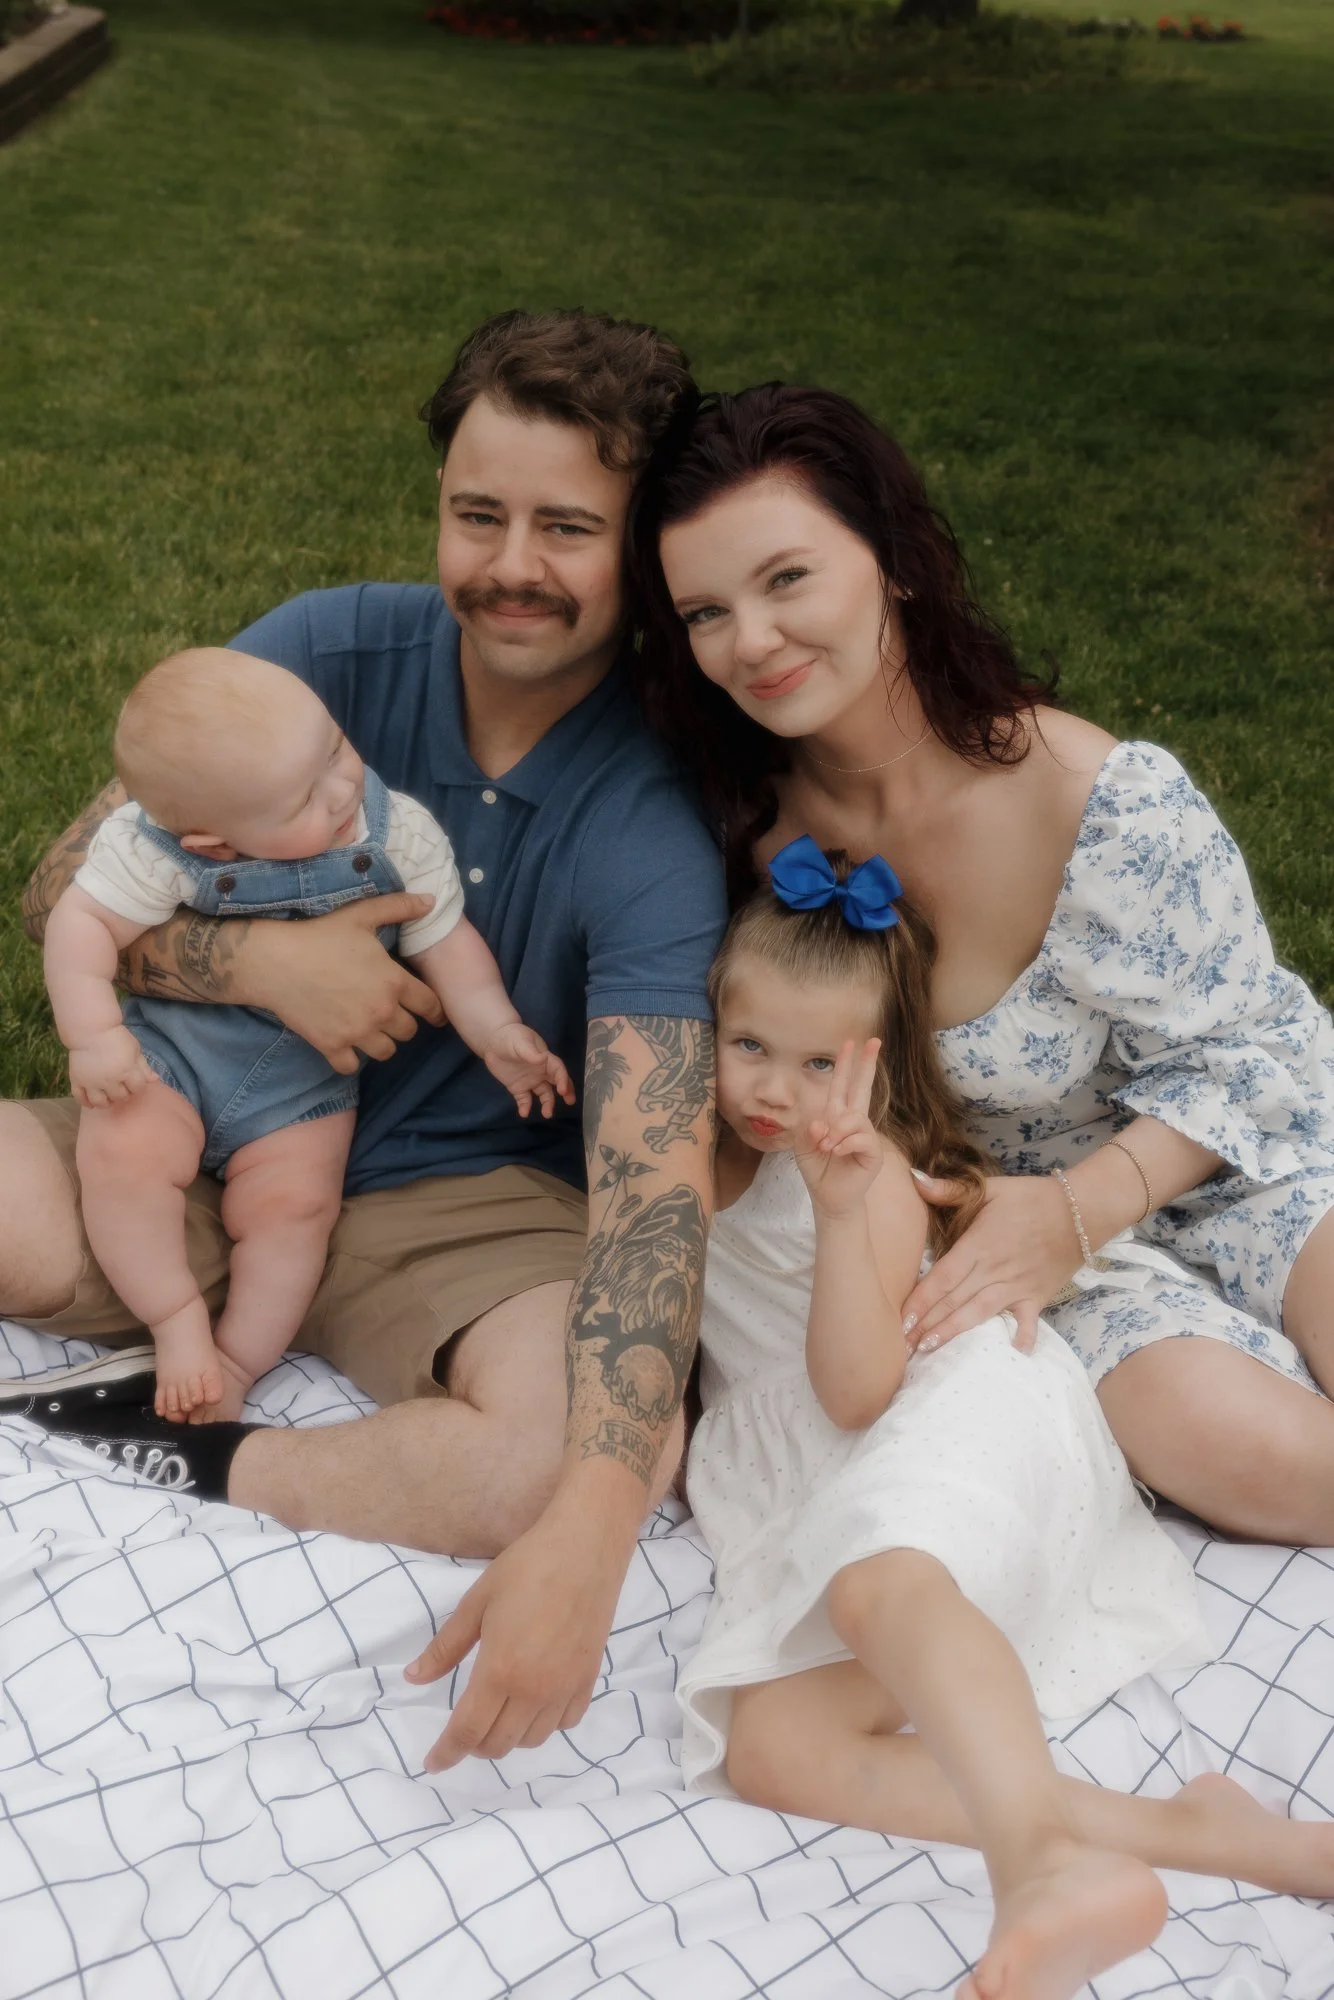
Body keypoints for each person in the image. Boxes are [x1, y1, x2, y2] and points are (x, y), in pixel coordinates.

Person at [2, 309, 726, 1770]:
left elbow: (654, 1187)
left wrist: (589, 1529)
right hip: (200, 1113)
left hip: (461, 1206)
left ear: (643, 545)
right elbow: (61, 888)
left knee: (569, 1454)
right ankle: (179, 1331)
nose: (510, 563)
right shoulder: (321, 651)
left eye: (567, 527)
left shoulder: (653, 806)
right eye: (479, 513)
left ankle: (186, 1444)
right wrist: (262, 964)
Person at [630, 382, 1334, 1546]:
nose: (748, 640)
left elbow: (1247, 1056)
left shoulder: (1087, 793)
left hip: (1241, 1157)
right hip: (1018, 1248)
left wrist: (1078, 1207)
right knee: (1284, 1465)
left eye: (786, 578)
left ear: (894, 563)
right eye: (705, 611)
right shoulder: (737, 835)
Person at [681, 845, 1334, 2000]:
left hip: (951, 1408)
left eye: (819, 1062)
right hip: (827, 1474)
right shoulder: (688, 1149)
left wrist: (840, 1219)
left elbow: (854, 1390)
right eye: (749, 1046)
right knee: (772, 1747)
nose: (775, 1088)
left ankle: (1035, 1870)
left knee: (875, 1586)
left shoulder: (868, 1180)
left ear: (877, 1069)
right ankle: (1213, 1836)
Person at [46, 647, 572, 1422]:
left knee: (295, 1215)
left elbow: (446, 941)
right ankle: (174, 1318)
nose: (342, 789)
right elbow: (81, 922)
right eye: (304, 800)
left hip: (303, 1093)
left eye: (335, 749)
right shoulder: (150, 846)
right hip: (171, 1060)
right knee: (122, 1157)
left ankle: (237, 1360)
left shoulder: (396, 833)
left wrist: (496, 1029)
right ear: (213, 847)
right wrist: (93, 1036)